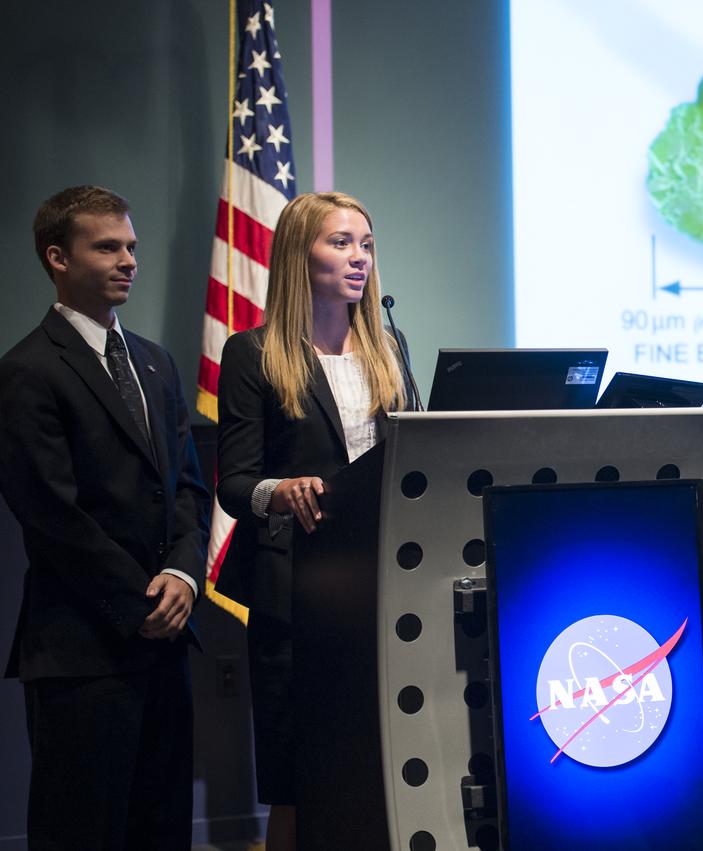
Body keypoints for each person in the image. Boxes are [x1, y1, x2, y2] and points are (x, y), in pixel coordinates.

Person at [0, 185, 211, 850]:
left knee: (163, 829)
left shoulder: (156, 362)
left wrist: (183, 574)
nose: (128, 261)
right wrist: (139, 601)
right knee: (82, 833)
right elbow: (50, 513)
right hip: (83, 649)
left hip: (166, 641)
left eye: (132, 247)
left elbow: (187, 486)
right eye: (108, 247)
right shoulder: (26, 370)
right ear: (58, 258)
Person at [215, 191, 410, 850]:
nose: (359, 258)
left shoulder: (390, 347)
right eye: (341, 242)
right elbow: (235, 485)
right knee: (299, 779)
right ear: (301, 254)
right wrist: (281, 489)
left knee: (378, 769)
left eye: (367, 244)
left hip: (380, 585)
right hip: (296, 590)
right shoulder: (253, 353)